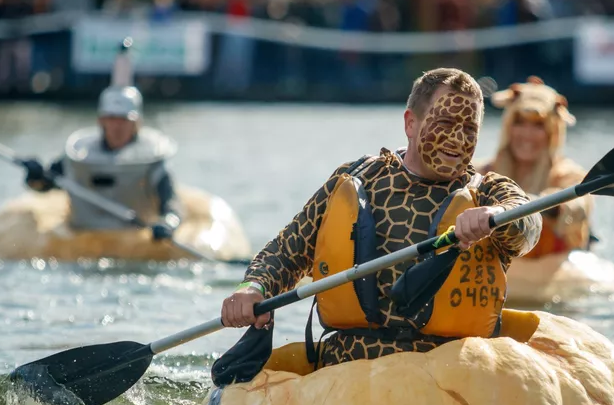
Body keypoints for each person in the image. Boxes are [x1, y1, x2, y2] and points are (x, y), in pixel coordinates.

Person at [220, 68, 542, 369]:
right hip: (351, 365)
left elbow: (528, 224)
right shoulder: (356, 179)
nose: (458, 139)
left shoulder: (488, 190)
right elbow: (286, 251)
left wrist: (497, 216)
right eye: (445, 123)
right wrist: (253, 287)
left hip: (449, 369)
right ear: (410, 124)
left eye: (469, 129)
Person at [22, 45, 181, 241]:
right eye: (111, 119)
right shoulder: (80, 154)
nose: (117, 126)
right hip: (82, 237)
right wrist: (35, 175)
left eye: (124, 120)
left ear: (137, 123)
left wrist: (168, 223)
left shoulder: (152, 157)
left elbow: (172, 204)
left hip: (135, 239)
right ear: (101, 121)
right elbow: (45, 184)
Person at [475, 76, 592, 259]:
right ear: (508, 127)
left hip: (553, 270)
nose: (527, 135)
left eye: (538, 125)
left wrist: (548, 205)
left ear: (552, 132)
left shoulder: (569, 176)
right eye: (519, 123)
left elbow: (580, 206)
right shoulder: (480, 173)